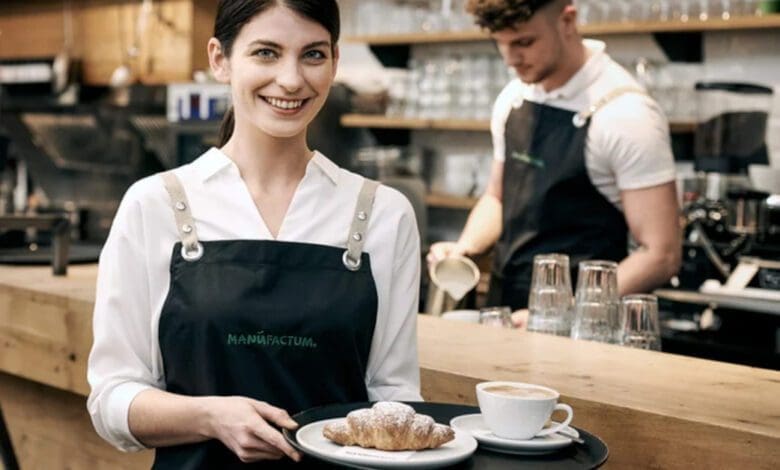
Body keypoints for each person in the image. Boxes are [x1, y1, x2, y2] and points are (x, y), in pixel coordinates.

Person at [86, 1, 422, 468]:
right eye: (266, 52)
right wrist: (210, 416)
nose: (291, 79)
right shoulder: (155, 205)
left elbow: (395, 399)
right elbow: (112, 400)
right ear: (220, 59)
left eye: (313, 55)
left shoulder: (383, 214)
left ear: (335, 62)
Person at [428, 0, 681, 311]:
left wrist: (563, 313)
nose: (511, 59)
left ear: (567, 21)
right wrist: (465, 250)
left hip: (582, 325)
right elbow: (497, 197)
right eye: (500, 43)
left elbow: (661, 254)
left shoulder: (626, 115)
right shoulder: (514, 97)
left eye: (524, 42)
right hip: (506, 305)